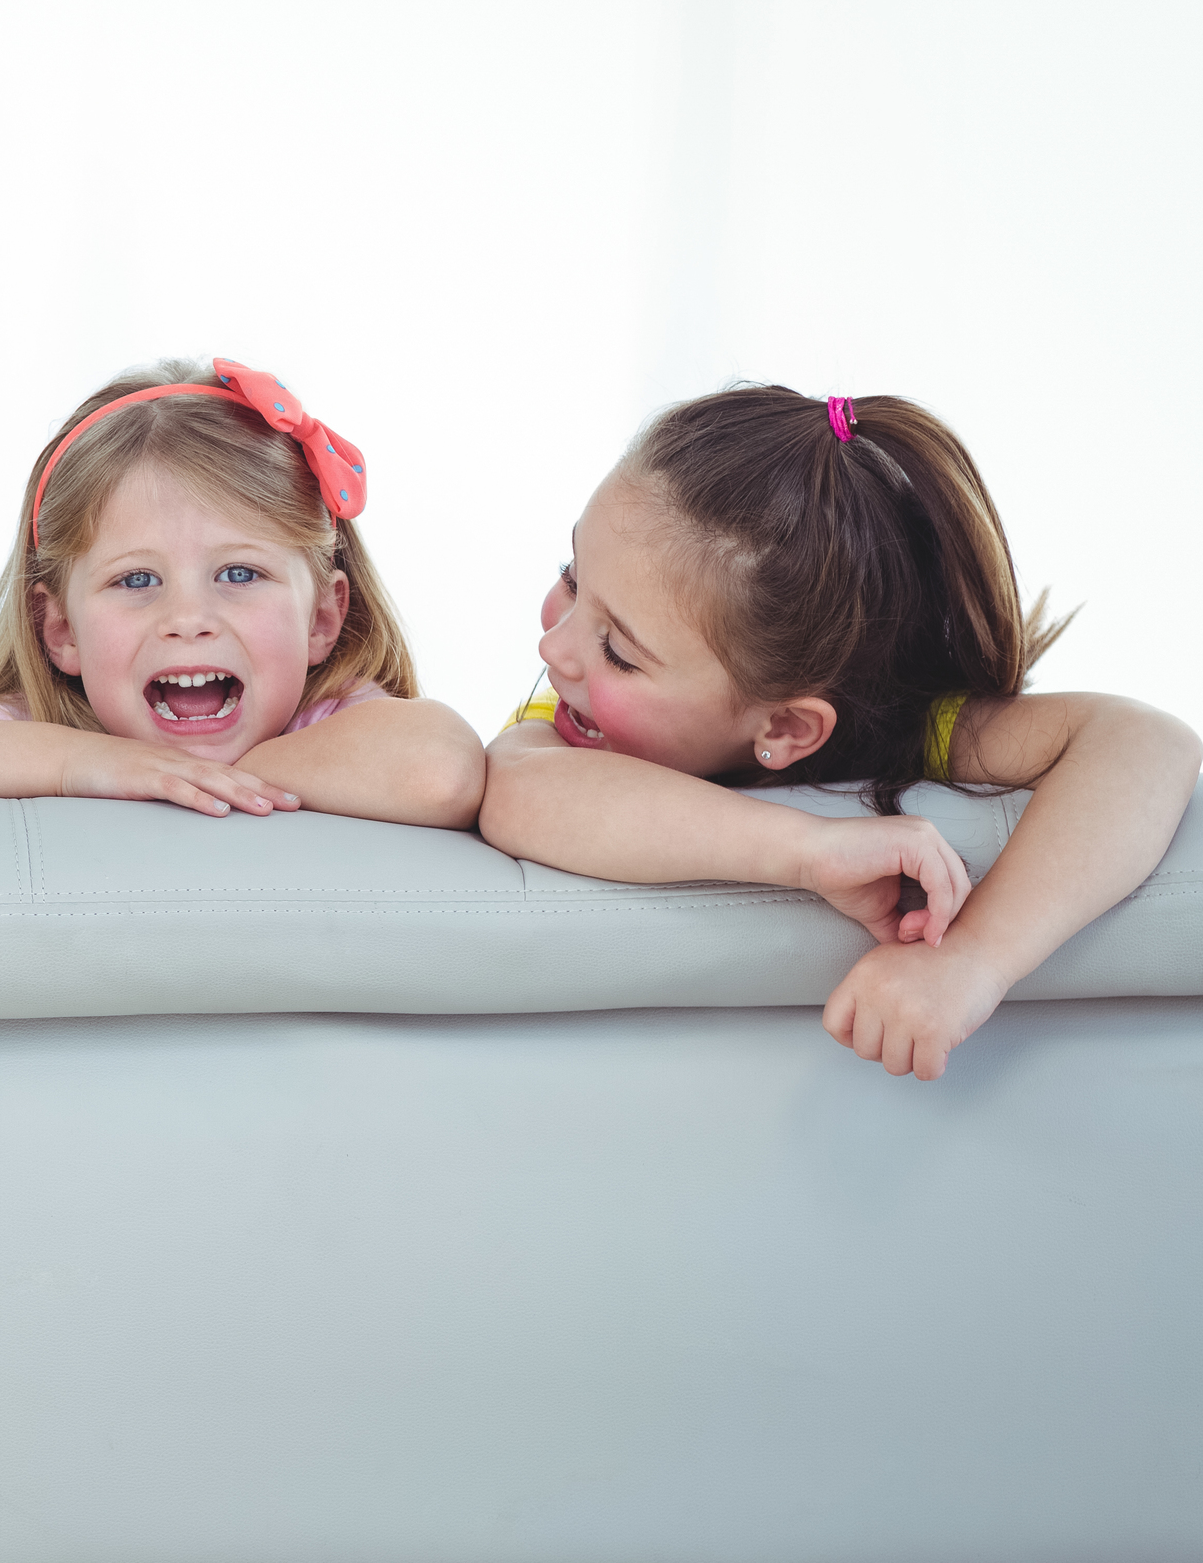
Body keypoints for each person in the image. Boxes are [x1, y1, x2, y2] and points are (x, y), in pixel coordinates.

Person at [480, 384, 1200, 1081]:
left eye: (618, 652)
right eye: (573, 577)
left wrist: (974, 960)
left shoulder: (913, 729)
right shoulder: (566, 730)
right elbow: (513, 789)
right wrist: (812, 849)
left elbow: (1147, 741)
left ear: (789, 727)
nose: (553, 651)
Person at [0, 358, 485, 825]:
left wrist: (196, 781)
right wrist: (80, 767)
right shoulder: (48, 737)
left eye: (239, 574)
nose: (188, 619)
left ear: (324, 616)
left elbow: (438, 769)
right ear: (60, 632)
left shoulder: (329, 724)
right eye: (138, 580)